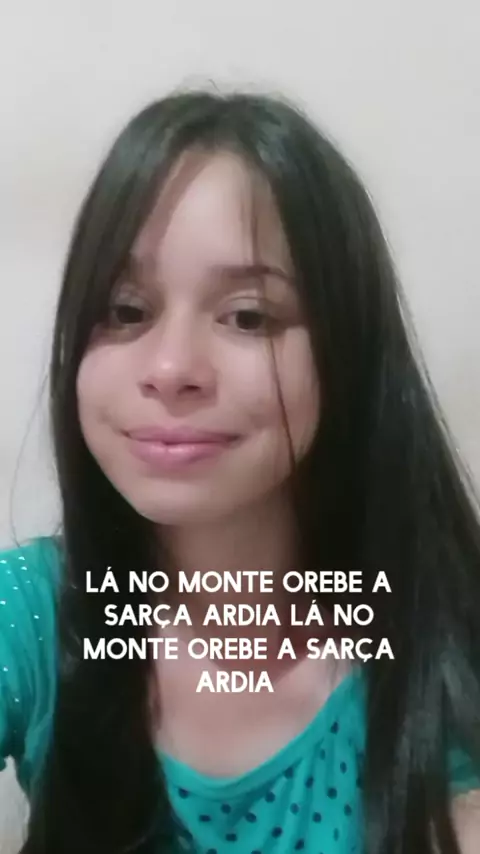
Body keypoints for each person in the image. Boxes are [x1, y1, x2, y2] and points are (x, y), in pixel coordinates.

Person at [1, 88, 480, 854]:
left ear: (347, 352)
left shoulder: (438, 651)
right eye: (125, 311)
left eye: (249, 316)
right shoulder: (31, 613)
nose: (170, 368)